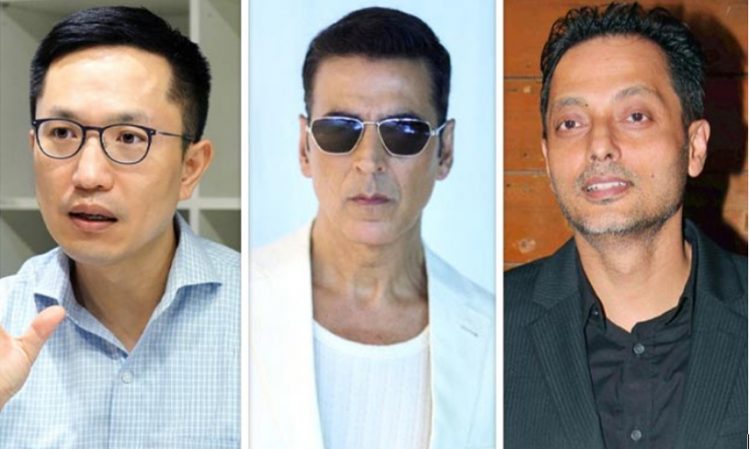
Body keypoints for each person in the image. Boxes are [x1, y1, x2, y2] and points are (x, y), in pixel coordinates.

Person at [504, 3, 747, 449]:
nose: (599, 145)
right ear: (547, 160)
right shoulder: (487, 330)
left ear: (694, 147)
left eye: (635, 116)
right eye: (570, 123)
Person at [250, 7, 494, 449]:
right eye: (340, 130)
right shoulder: (236, 306)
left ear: (445, 151)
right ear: (305, 147)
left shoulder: (494, 336)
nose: (369, 161)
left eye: (403, 131)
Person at [0, 6, 239, 448]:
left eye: (129, 138)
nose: (88, 175)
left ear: (190, 168)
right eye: (62, 133)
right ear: (34, 147)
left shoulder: (265, 316)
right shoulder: (5, 319)